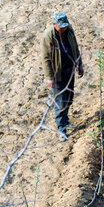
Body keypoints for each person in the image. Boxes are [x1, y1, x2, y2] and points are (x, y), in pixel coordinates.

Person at [41, 12, 84, 141]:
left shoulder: (69, 30)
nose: (64, 28)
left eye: (65, 26)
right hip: (57, 73)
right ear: (54, 25)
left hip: (69, 69)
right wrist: (49, 77)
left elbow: (75, 47)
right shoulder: (48, 36)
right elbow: (46, 58)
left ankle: (66, 121)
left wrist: (79, 64)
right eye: (61, 27)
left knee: (69, 97)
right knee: (60, 102)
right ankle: (61, 129)